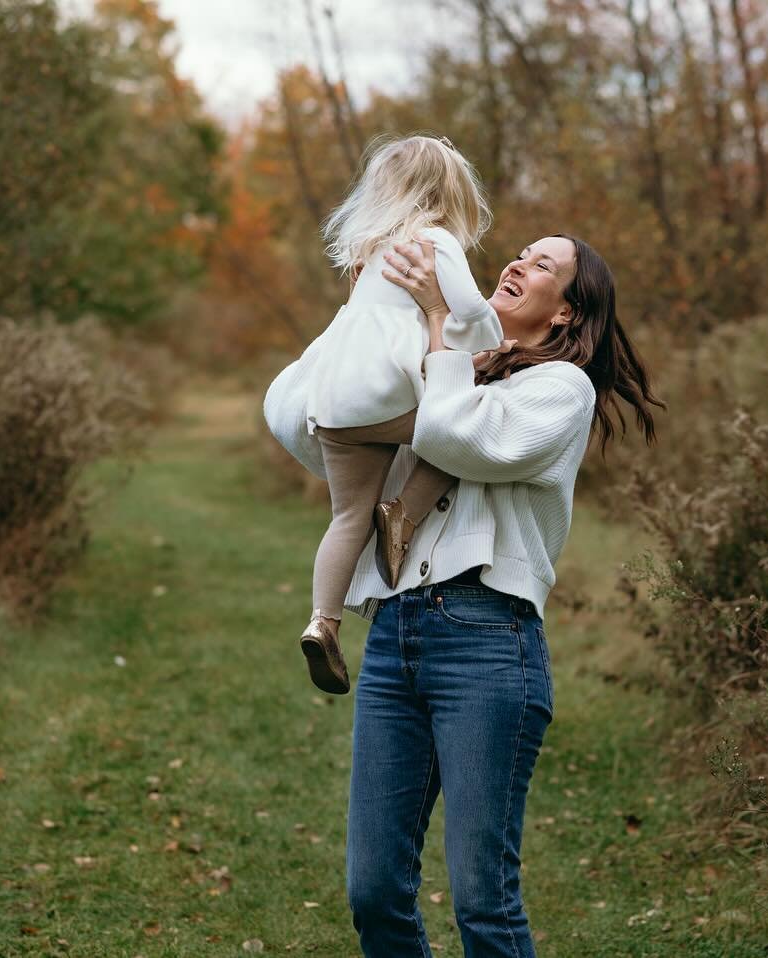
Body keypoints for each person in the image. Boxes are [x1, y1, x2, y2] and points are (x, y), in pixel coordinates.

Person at [262, 231, 662, 956]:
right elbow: (318, 428)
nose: (515, 264)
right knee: (374, 891)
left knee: (483, 900)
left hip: (486, 641)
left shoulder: (559, 390)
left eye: (544, 266)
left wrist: (441, 326)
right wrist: (361, 313)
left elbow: (453, 436)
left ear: (567, 314)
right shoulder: (438, 368)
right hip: (393, 636)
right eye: (518, 253)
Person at [293, 133, 506, 696]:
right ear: (450, 192)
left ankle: (324, 622)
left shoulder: (368, 247)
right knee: (463, 429)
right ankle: (403, 514)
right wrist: (494, 343)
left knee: (345, 518)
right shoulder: (434, 239)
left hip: (334, 405)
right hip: (383, 399)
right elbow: (471, 312)